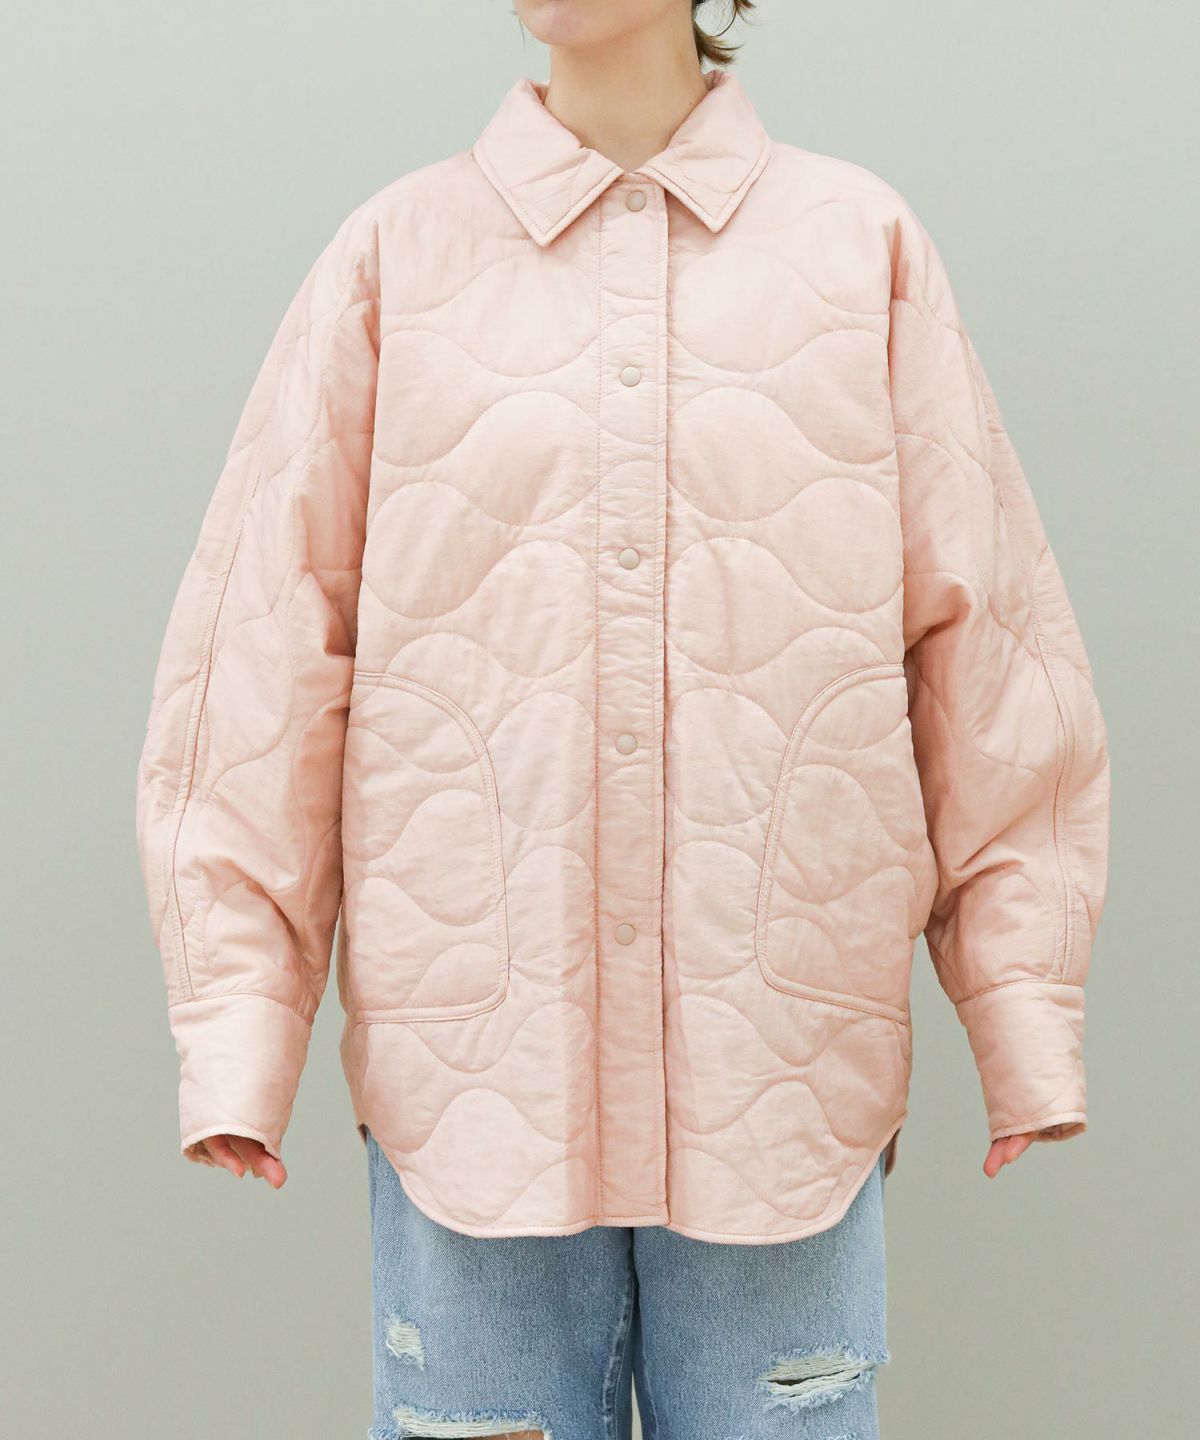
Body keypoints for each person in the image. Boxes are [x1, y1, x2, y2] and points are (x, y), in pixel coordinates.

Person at [134, 2, 1111, 1436]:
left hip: (783, 1083)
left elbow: (993, 665)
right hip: (477, 1090)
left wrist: (1021, 1006)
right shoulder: (397, 260)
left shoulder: (860, 251)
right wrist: (239, 1017)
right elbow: (259, 666)